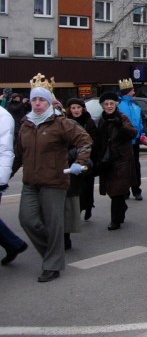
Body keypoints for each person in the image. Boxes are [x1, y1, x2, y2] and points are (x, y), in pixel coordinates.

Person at [12, 75, 91, 282]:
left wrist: (79, 162)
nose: (38, 104)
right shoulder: (26, 125)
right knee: (27, 220)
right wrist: (4, 177)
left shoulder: (60, 123)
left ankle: (52, 264)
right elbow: (18, 155)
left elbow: (84, 141)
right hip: (30, 183)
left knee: (53, 223)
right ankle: (53, 254)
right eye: (34, 100)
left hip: (54, 182)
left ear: (48, 102)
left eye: (42, 100)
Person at [92, 91, 137, 230]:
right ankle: (121, 208)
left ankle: (115, 221)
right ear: (103, 106)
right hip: (107, 160)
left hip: (121, 160)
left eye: (112, 103)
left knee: (117, 190)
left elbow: (132, 133)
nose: (109, 106)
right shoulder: (101, 120)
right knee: (112, 191)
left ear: (116, 105)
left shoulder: (122, 118)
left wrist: (120, 126)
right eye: (106, 104)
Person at [63, 98, 98, 249]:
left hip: (86, 159)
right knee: (74, 189)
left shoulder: (89, 122)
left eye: (78, 107)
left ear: (82, 109)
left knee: (86, 187)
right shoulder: (66, 122)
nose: (76, 110)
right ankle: (80, 208)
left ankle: (88, 205)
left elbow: (92, 141)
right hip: (71, 162)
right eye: (73, 108)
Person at [0, 105, 28, 266]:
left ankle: (13, 244)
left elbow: (5, 150)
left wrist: (1, 181)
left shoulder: (3, 116)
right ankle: (13, 244)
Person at [117, 79, 145, 201]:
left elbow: (140, 122)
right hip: (123, 142)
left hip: (135, 141)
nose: (134, 92)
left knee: (135, 166)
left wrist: (142, 133)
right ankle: (125, 190)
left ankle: (136, 189)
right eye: (132, 90)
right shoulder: (118, 106)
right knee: (124, 166)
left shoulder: (136, 107)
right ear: (128, 92)